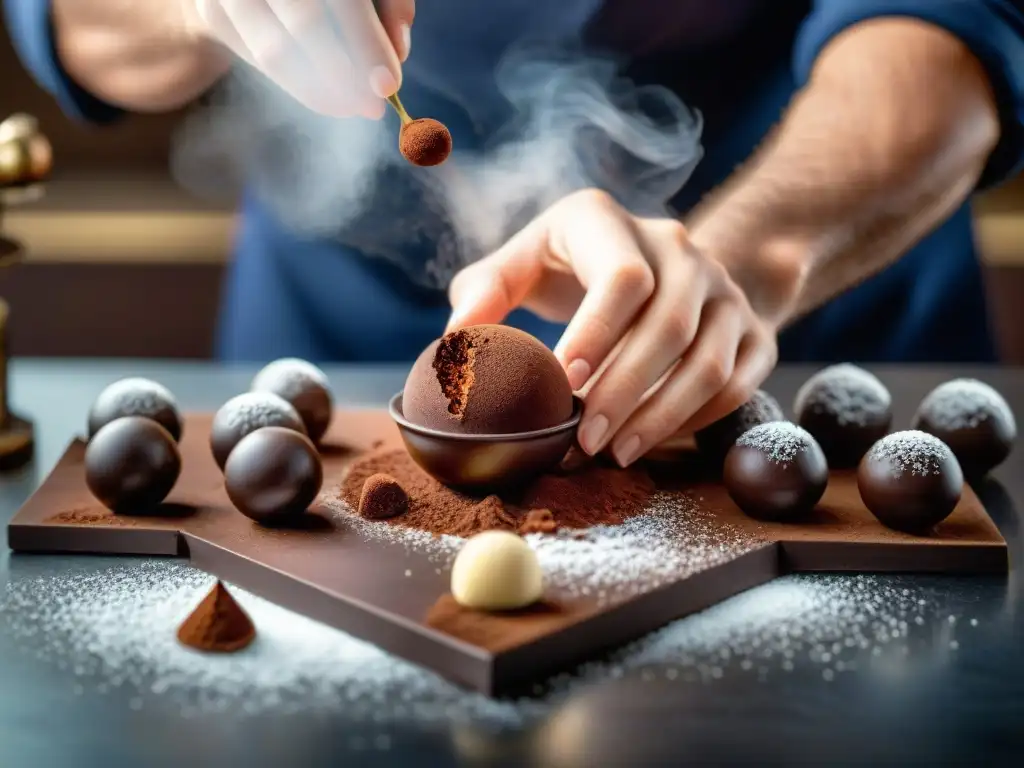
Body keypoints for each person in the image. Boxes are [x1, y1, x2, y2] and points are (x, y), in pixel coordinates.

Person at [5, 1, 1024, 469]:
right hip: (329, 358)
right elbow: (74, 27)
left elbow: (949, 29)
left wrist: (745, 260)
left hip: (797, 354)